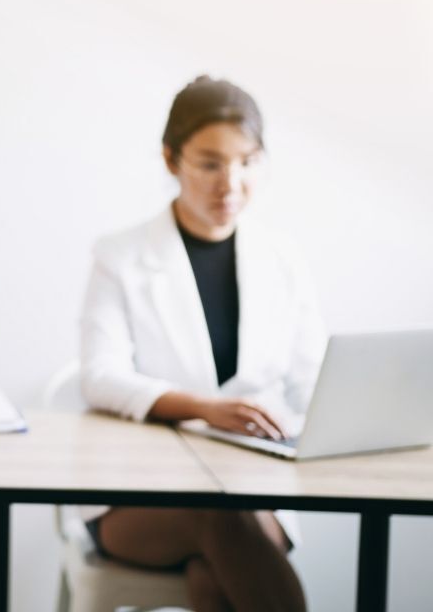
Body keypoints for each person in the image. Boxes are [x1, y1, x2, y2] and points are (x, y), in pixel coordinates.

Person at [78, 76, 324, 612]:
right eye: (210, 163)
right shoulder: (119, 255)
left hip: (255, 488)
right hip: (138, 500)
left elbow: (314, 385)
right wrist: (206, 409)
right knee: (217, 515)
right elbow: (101, 376)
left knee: (217, 563)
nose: (230, 183)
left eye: (248, 162)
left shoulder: (283, 261)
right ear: (171, 160)